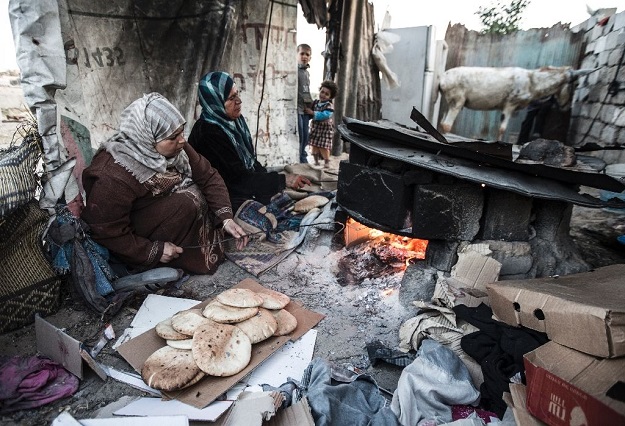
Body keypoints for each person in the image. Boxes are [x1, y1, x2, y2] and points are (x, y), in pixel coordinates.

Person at [81, 92, 248, 276]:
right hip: (141, 241)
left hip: (175, 225)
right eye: (172, 137)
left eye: (181, 131)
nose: (182, 140)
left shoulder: (177, 148)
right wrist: (153, 251)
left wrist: (226, 218)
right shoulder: (114, 175)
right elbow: (106, 231)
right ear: (147, 138)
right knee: (186, 201)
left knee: (193, 194)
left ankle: (204, 248)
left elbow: (208, 176)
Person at [188, 71, 311, 212]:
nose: (239, 101)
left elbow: (250, 163)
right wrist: (283, 180)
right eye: (231, 98)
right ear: (215, 102)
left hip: (239, 186)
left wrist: (273, 180)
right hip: (219, 197)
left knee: (286, 201)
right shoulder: (208, 134)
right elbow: (238, 180)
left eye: (237, 94)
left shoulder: (234, 122)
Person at [309, 80, 339, 168]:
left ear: (330, 97)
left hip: (325, 131)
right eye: (322, 92)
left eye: (326, 94)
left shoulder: (329, 106)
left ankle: (326, 161)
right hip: (315, 129)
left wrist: (313, 113)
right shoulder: (315, 103)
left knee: (324, 147)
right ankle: (316, 161)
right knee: (314, 145)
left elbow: (325, 115)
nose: (323, 95)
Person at [297, 43, 314, 163]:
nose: (304, 56)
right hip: (297, 109)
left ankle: (303, 157)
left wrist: (311, 105)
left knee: (305, 136)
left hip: (305, 110)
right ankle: (300, 158)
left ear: (310, 57)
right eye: (302, 53)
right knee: (300, 135)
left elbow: (306, 92)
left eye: (307, 54)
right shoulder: (295, 71)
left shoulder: (306, 73)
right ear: (297, 55)